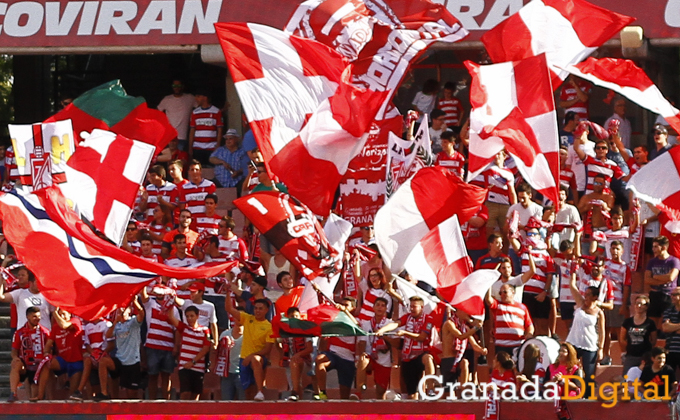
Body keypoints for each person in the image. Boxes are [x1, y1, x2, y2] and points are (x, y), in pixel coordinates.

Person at [377, 296, 436, 399]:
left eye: (414, 306)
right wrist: (382, 330)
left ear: (421, 307)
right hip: (408, 356)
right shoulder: (407, 317)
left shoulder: (428, 319)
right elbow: (395, 324)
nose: (412, 309)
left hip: (421, 353)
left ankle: (430, 388)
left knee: (428, 358)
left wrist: (405, 333)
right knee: (411, 394)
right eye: (410, 306)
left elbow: (422, 337)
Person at [224, 291, 275, 401]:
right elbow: (229, 309)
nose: (257, 311)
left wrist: (251, 356)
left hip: (259, 359)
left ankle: (260, 391)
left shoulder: (269, 327)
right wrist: (228, 293)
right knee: (247, 391)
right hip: (244, 360)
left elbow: (267, 349)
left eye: (261, 308)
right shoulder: (247, 319)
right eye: (256, 308)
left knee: (255, 360)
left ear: (266, 310)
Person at [565, 267, 605, 398]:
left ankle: (587, 398)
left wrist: (600, 348)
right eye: (585, 294)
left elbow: (602, 331)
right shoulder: (580, 304)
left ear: (594, 297)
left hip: (590, 345)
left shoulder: (599, 312)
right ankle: (569, 393)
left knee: (589, 374)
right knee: (569, 369)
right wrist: (574, 272)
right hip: (573, 342)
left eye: (588, 295)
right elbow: (572, 286)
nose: (585, 297)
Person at [96, 297, 145, 400]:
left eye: (124, 308)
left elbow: (141, 314)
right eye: (120, 308)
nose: (122, 310)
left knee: (131, 394)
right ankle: (104, 393)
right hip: (119, 360)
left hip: (132, 362)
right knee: (103, 361)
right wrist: (115, 322)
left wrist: (135, 302)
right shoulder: (117, 325)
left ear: (129, 311)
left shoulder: (133, 322)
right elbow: (108, 335)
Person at [140, 284, 180, 400]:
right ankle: (152, 403)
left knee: (166, 376)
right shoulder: (150, 304)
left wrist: (176, 347)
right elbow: (143, 296)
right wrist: (143, 280)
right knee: (152, 375)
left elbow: (177, 329)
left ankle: (165, 402)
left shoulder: (173, 309)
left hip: (168, 346)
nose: (159, 295)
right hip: (152, 346)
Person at [315, 297, 360, 400]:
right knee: (319, 360)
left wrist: (345, 311)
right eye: (342, 305)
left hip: (348, 359)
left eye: (346, 305)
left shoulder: (357, 319)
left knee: (344, 397)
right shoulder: (334, 319)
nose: (343, 307)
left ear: (353, 308)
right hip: (333, 354)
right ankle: (322, 392)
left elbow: (357, 327)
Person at [356, 298, 399, 400]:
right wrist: (361, 354)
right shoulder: (366, 324)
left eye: (383, 305)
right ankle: (359, 391)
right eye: (378, 305)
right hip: (370, 357)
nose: (380, 307)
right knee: (362, 360)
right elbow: (361, 343)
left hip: (384, 360)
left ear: (386, 309)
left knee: (380, 392)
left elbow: (397, 343)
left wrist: (383, 336)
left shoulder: (390, 324)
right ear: (373, 307)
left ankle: (380, 413)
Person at [38, 308, 85, 401]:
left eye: (63, 314)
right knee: (47, 364)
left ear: (69, 314)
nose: (61, 317)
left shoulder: (76, 321)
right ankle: (44, 396)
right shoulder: (55, 327)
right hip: (62, 360)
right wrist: (46, 353)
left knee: (72, 393)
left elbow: (64, 325)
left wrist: (55, 313)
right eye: (60, 314)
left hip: (76, 360)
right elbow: (49, 343)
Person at [166, 305, 211, 400]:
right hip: (184, 366)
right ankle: (182, 414)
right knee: (185, 393)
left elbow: (206, 348)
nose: (189, 318)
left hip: (198, 367)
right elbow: (171, 317)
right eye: (187, 316)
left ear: (197, 316)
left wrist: (193, 362)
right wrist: (170, 304)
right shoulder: (184, 328)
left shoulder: (205, 330)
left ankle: (193, 415)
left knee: (195, 395)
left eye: (192, 316)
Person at [8, 307, 49, 402]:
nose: (37, 318)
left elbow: (50, 348)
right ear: (28, 317)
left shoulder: (45, 332)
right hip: (25, 364)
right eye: (34, 316)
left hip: (39, 365)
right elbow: (14, 350)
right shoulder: (19, 332)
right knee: (15, 364)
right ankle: (13, 393)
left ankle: (39, 398)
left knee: (33, 398)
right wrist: (15, 358)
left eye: (39, 316)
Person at [440, 308, 486, 391]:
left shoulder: (465, 328)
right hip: (448, 360)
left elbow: (474, 345)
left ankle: (463, 389)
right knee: (447, 392)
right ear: (458, 311)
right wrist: (475, 328)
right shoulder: (449, 324)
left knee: (465, 362)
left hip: (458, 359)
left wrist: (482, 350)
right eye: (465, 311)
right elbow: (461, 336)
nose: (467, 313)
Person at [486, 283, 534, 356]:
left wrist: (529, 334)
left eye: (505, 292)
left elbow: (529, 325)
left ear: (513, 292)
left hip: (518, 345)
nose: (502, 295)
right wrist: (489, 283)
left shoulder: (522, 307)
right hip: (501, 346)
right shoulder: (497, 305)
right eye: (500, 293)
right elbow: (488, 299)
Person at [0, 267, 52, 331]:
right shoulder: (20, 293)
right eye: (38, 283)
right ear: (31, 283)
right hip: (24, 334)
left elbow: (54, 314)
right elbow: (2, 297)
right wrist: (1, 281)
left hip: (44, 334)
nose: (40, 285)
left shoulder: (48, 295)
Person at [645, 236, 680, 330]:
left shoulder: (674, 261)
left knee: (666, 321)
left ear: (664, 247)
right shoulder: (652, 262)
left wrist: (655, 277)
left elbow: (671, 277)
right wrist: (663, 279)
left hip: (669, 295)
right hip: (655, 294)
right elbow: (647, 279)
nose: (653, 249)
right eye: (653, 247)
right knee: (652, 323)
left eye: (656, 247)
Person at [282, 307, 314, 401]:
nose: (294, 318)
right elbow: (280, 345)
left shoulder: (305, 331)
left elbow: (310, 348)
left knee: (295, 362)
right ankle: (297, 400)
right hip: (289, 361)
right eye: (292, 316)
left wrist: (298, 355)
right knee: (294, 383)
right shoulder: (285, 331)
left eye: (296, 316)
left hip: (304, 361)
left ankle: (295, 393)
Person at [621, 294, 657, 375]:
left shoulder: (650, 323)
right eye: (637, 303)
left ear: (646, 307)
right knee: (627, 379)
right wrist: (631, 346)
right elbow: (622, 339)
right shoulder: (627, 322)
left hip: (645, 356)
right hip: (631, 356)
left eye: (642, 304)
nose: (639, 306)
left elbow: (653, 340)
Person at [157, 79, 196, 151]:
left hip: (182, 136)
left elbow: (201, 107)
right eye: (174, 86)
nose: (176, 87)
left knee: (179, 159)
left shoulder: (190, 98)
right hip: (168, 136)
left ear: (183, 86)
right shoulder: (167, 99)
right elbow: (157, 113)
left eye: (179, 85)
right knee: (168, 158)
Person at [215, 309, 245, 400]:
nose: (239, 318)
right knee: (225, 403)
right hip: (227, 374)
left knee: (243, 403)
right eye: (237, 316)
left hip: (243, 374)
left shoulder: (249, 335)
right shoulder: (225, 334)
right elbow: (218, 353)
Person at [189, 89, 223, 165]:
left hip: (211, 147)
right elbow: (192, 131)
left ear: (205, 97)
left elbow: (220, 130)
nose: (196, 99)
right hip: (197, 147)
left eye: (198, 96)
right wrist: (190, 147)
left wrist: (218, 145)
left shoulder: (216, 111)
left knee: (210, 170)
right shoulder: (195, 112)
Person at [179, 160, 217, 226]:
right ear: (189, 172)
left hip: (206, 220)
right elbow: (183, 207)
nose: (194, 172)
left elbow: (212, 204)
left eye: (197, 169)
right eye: (192, 170)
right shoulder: (184, 188)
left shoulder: (210, 185)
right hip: (192, 221)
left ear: (200, 171)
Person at [662, 287, 680, 373]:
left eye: (675, 295)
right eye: (671, 294)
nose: (672, 297)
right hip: (670, 350)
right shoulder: (668, 311)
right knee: (668, 379)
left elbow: (669, 327)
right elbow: (665, 328)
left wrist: (672, 326)